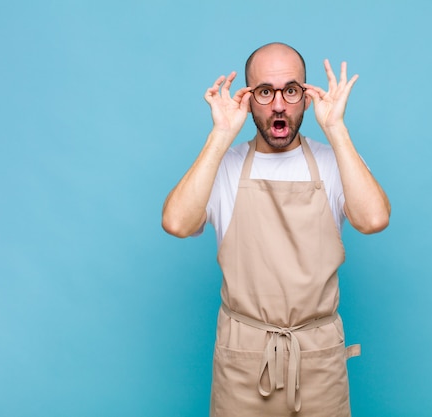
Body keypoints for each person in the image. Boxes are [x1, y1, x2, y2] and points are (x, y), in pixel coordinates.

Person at [162, 42, 390, 417]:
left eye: (291, 90)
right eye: (265, 92)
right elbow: (176, 223)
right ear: (248, 99)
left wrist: (337, 130)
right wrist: (219, 137)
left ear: (306, 95)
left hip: (318, 359)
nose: (279, 104)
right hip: (244, 361)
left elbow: (374, 220)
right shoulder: (226, 167)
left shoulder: (334, 162)